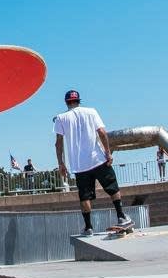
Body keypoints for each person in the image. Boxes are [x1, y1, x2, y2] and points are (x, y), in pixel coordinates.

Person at [54, 89, 130, 236]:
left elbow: (58, 143)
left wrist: (61, 163)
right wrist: (108, 152)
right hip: (97, 159)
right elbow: (102, 132)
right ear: (79, 100)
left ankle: (88, 227)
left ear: (66, 102)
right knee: (112, 187)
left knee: (85, 196)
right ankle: (121, 216)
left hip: (79, 165)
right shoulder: (91, 111)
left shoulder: (60, 118)